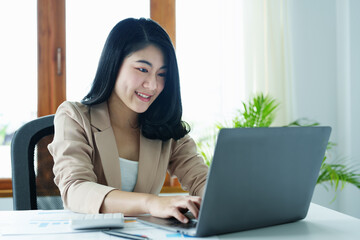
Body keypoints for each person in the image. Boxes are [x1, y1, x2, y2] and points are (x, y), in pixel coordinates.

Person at [48, 18, 208, 224]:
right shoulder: (74, 116)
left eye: (162, 74)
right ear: (114, 64)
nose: (152, 85)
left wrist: (218, 199)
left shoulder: (165, 125)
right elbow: (75, 189)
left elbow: (201, 179)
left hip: (146, 235)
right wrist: (150, 203)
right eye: (142, 69)